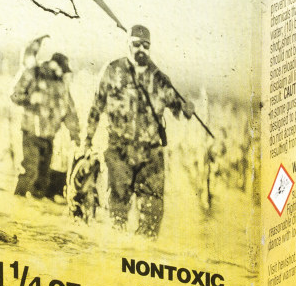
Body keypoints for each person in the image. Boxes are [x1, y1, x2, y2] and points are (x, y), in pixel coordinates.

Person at [84, 24, 194, 237]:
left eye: (146, 45)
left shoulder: (160, 79)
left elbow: (178, 108)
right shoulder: (112, 70)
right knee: (117, 210)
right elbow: (96, 107)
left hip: (150, 153)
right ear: (128, 45)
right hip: (119, 150)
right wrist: (86, 140)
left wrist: (187, 108)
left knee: (152, 213)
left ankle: (143, 251)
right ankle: (117, 251)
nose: (141, 49)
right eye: (136, 44)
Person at [11, 38, 80, 200]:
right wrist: (29, 99)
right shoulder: (34, 74)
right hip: (31, 134)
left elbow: (69, 112)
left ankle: (36, 209)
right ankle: (18, 203)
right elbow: (15, 95)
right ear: (54, 65)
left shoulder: (62, 86)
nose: (62, 73)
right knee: (29, 172)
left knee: (43, 178)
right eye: (62, 70)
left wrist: (75, 135)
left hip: (49, 137)